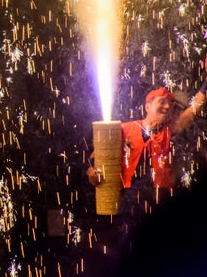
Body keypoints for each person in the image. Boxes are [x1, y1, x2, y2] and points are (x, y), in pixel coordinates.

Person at [87, 82, 206, 214]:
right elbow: (96, 157)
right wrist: (92, 172)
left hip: (160, 199)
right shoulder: (125, 129)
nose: (167, 107)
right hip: (129, 198)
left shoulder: (169, 130)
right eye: (162, 102)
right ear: (148, 107)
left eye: (170, 104)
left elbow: (195, 108)